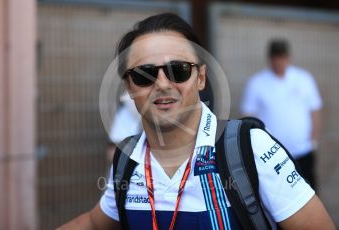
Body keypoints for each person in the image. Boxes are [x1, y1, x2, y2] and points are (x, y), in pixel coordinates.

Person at [59, 13, 334, 229]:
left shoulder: (252, 148)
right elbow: (96, 223)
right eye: (144, 75)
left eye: (178, 71)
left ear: (201, 78)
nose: (163, 84)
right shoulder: (127, 159)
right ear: (130, 87)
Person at [241, 39, 322, 190]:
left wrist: (313, 141)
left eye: (282, 57)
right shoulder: (257, 82)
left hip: (303, 150)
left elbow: (315, 110)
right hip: (273, 155)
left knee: (309, 190)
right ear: (270, 59)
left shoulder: (304, 78)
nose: (279, 62)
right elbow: (248, 114)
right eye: (275, 58)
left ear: (288, 57)